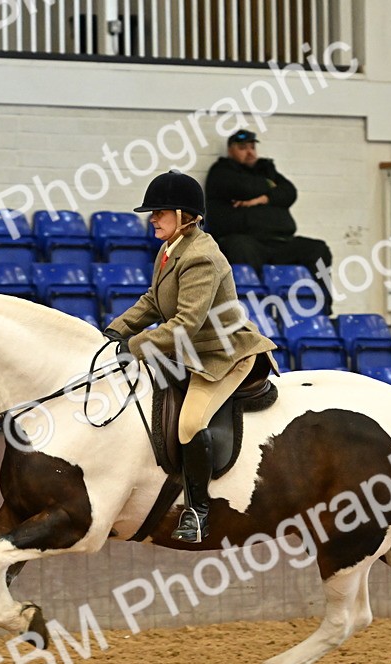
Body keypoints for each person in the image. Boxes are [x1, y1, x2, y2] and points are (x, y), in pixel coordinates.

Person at [105, 170, 277, 544]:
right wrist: (115, 331)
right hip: (188, 354)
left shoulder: (201, 257)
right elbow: (153, 301)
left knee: (189, 423)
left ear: (184, 216)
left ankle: (198, 513)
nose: (152, 218)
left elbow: (184, 324)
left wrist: (133, 348)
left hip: (222, 357)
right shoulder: (170, 249)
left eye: (160, 212)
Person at [205, 129, 333, 310]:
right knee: (239, 247)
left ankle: (322, 308)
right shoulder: (221, 172)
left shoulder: (266, 169)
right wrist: (270, 189)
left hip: (280, 242)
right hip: (245, 241)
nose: (250, 152)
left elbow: (290, 192)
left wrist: (262, 199)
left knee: (318, 250)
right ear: (231, 151)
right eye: (243, 148)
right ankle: (256, 310)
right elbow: (244, 187)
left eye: (252, 147)